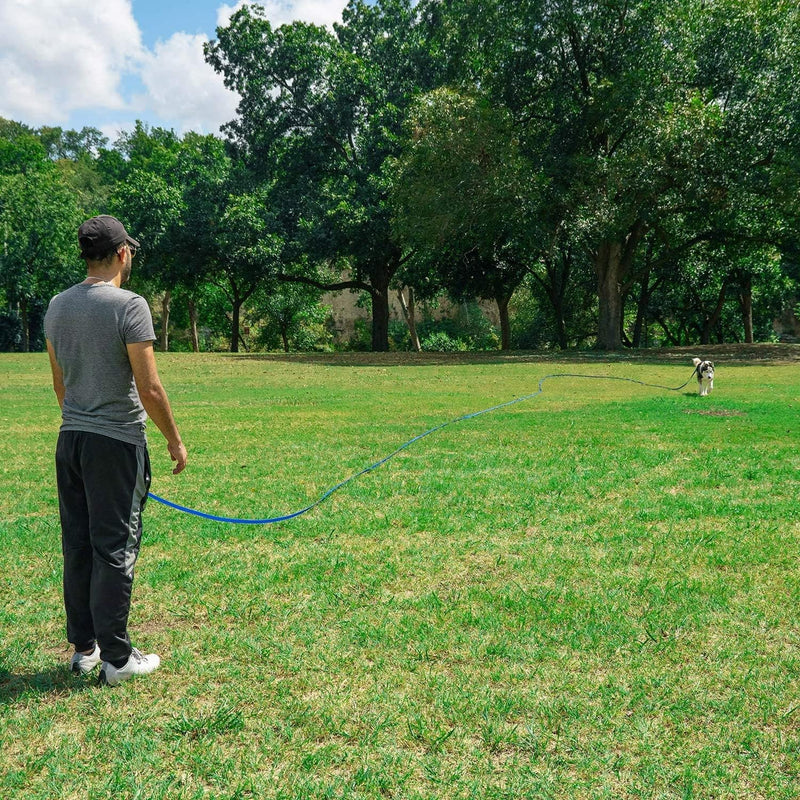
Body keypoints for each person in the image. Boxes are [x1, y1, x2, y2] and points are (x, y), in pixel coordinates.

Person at [44, 214, 188, 687]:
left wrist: (82, 420)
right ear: (123, 253)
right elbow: (149, 387)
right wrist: (173, 439)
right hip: (116, 442)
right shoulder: (130, 305)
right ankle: (118, 659)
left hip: (72, 440)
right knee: (115, 547)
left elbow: (60, 387)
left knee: (79, 545)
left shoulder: (57, 306)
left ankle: (85, 650)